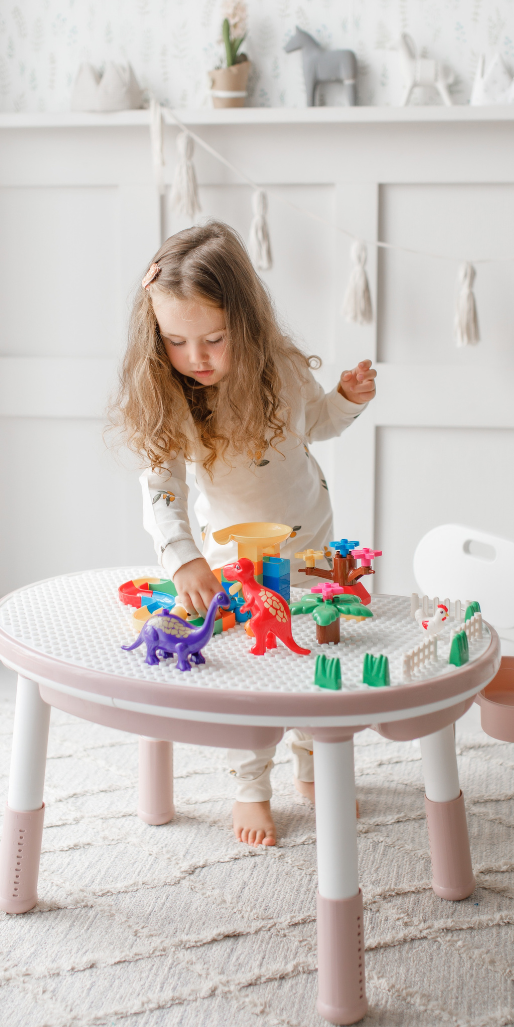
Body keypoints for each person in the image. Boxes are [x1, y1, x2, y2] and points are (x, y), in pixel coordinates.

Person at [111, 221, 376, 846]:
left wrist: (347, 397)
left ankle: (311, 765)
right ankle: (251, 786)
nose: (196, 358)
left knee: (314, 656)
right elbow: (162, 487)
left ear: (247, 325)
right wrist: (183, 559)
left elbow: (317, 425)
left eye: (214, 339)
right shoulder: (174, 396)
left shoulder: (281, 369)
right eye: (176, 341)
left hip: (310, 541)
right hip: (235, 558)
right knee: (252, 673)